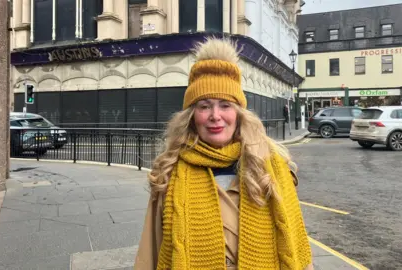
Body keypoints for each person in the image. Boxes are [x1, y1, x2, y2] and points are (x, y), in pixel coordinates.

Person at [134, 37, 313, 270]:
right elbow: (150, 250)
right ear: (191, 115)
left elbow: (296, 242)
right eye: (204, 105)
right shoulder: (170, 172)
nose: (215, 116)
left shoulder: (271, 165)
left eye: (225, 105)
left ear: (239, 113)